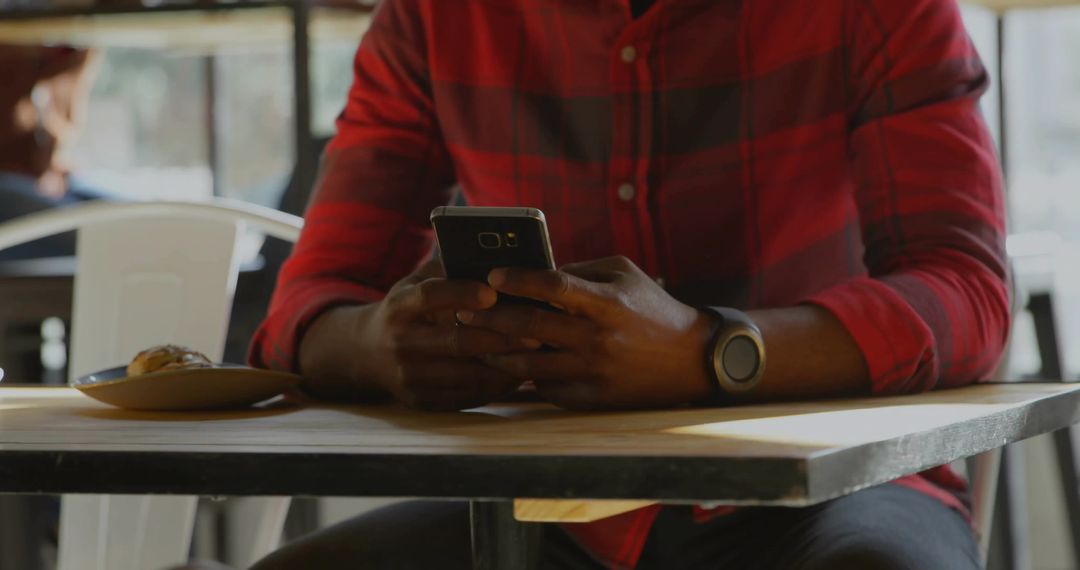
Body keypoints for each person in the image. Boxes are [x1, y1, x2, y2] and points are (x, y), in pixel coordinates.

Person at [248, 0, 1008, 567]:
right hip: (543, 508)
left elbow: (967, 288)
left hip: (836, 493)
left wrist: (709, 351)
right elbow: (306, 309)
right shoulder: (432, 14)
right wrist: (379, 342)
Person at [0, 44, 103, 261]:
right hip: (7, 182)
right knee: (99, 237)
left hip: (42, 179)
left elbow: (64, 124)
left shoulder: (69, 53)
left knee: (137, 218)